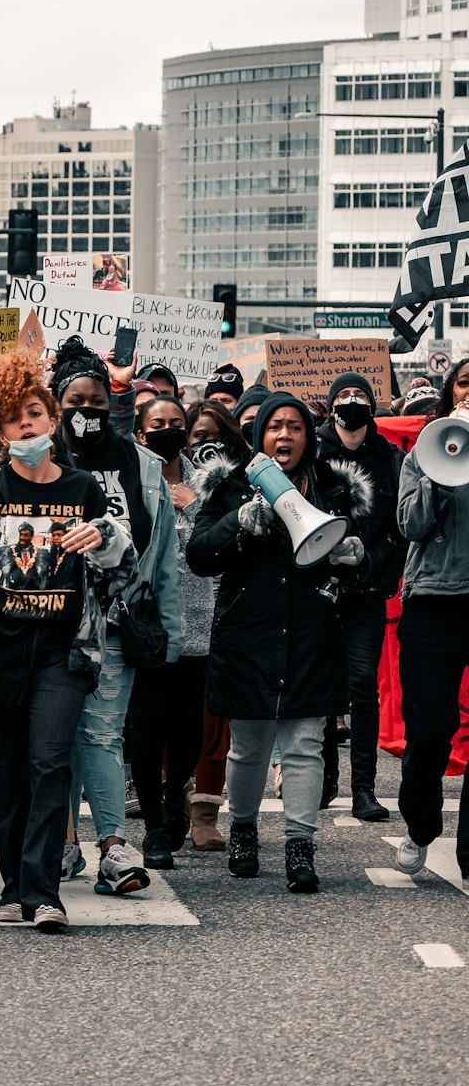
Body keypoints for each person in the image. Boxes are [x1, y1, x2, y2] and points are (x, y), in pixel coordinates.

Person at [0, 350, 133, 933]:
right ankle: (14, 890)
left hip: (64, 650)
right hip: (1, 651)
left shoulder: (83, 489)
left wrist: (102, 535)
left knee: (50, 762)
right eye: (13, 419)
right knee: (12, 769)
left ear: (51, 416)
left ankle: (45, 891)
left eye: (34, 412)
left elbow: (118, 563)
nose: (26, 425)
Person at [186, 391, 372, 893]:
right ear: (258, 437)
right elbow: (200, 555)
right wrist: (237, 524)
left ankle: (299, 843)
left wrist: (356, 557)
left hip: (312, 632)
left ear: (308, 437)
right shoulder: (229, 487)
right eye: (274, 427)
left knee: (306, 745)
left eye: (294, 426)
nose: (284, 435)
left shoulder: (334, 489)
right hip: (250, 632)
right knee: (248, 747)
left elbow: (357, 568)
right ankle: (244, 829)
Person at [50, 336, 180, 888]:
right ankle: (61, 841)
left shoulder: (145, 469)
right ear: (58, 405)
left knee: (102, 735)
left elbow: (165, 557)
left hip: (121, 623)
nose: (88, 413)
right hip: (51, 624)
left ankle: (113, 848)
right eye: (76, 403)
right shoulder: (35, 460)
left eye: (99, 404)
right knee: (55, 737)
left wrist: (168, 632)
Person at [133, 390, 222, 858]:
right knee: (147, 729)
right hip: (148, 625)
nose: (167, 430)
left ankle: (174, 801)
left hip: (200, 622)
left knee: (190, 729)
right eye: (157, 423)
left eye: (175, 423)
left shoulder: (208, 480)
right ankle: (154, 826)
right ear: (140, 431)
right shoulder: (133, 479)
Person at [316, 371, 405, 823]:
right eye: (344, 395)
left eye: (360, 395)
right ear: (331, 405)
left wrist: (376, 569)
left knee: (362, 688)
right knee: (325, 689)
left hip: (366, 593)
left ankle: (363, 789)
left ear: (372, 406)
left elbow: (398, 528)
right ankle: (326, 779)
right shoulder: (315, 453)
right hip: (319, 593)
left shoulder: (389, 457)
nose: (352, 401)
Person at [393, 357, 469, 884]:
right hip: (434, 603)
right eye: (466, 383)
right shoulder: (424, 451)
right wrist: (445, 466)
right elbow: (410, 525)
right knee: (431, 730)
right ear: (450, 394)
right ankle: (420, 826)